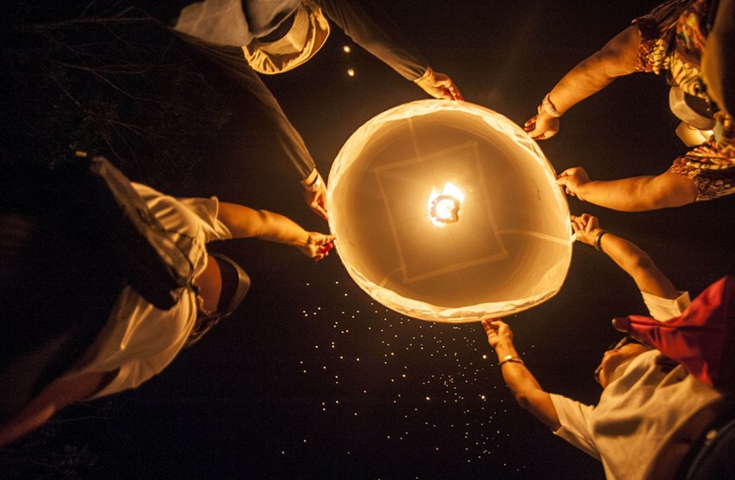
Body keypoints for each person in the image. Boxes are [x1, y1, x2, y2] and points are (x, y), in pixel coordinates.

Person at [0, 161, 336, 448]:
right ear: (211, 315)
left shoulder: (185, 226)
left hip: (30, 238)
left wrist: (305, 238)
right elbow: (61, 394)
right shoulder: (167, 344)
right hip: (40, 321)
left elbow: (260, 222)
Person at [134, 0, 463, 219]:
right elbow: (257, 104)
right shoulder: (202, 28)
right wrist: (307, 178)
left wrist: (423, 74)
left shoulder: (202, 26)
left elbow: (361, 23)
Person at [481, 213, 723, 479]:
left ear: (648, 345)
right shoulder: (601, 421)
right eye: (599, 373)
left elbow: (641, 265)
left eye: (620, 344)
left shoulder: (679, 345)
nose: (606, 354)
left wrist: (596, 237)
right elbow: (527, 396)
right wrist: (502, 344)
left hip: (733, 442)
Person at [524, 0, 735, 212]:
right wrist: (549, 111)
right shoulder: (684, 46)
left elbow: (655, 193)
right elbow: (605, 63)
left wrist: (585, 188)